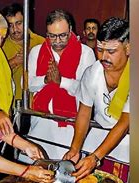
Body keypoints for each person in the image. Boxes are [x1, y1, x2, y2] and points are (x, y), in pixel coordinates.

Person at [23, 9, 96, 161]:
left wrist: (61, 81)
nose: (57, 41)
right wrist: (45, 80)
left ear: (71, 31)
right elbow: (28, 84)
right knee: (36, 171)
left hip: (70, 127)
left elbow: (88, 91)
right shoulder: (37, 51)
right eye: (52, 36)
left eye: (62, 35)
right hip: (40, 123)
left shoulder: (86, 53)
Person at [63, 17, 130, 180]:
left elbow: (125, 122)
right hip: (99, 138)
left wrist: (95, 158)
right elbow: (84, 113)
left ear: (129, 48)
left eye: (111, 51)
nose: (103, 57)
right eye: (100, 49)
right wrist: (75, 148)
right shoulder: (93, 73)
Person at [1, 3, 45, 105]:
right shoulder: (0, 45)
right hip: (11, 104)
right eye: (10, 25)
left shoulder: (41, 43)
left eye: (19, 23)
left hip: (38, 104)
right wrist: (14, 62)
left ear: (26, 22)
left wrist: (33, 57)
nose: (15, 29)